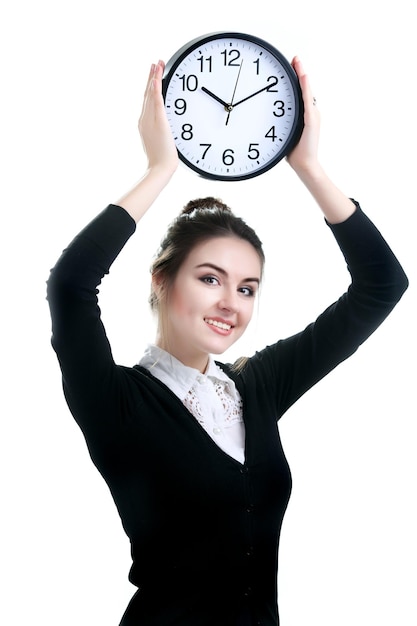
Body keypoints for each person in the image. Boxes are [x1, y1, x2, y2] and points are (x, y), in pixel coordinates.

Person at [46, 58, 408, 626]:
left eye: (247, 288)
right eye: (209, 278)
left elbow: (383, 284)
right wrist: (161, 167)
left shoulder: (256, 388)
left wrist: (308, 165)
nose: (230, 304)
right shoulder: (114, 401)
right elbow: (70, 285)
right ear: (162, 281)